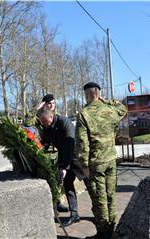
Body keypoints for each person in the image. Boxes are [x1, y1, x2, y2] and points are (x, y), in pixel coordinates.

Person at [75, 82, 127, 239]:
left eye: (85, 95)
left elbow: (82, 144)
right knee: (110, 196)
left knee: (100, 200)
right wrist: (106, 101)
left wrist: (84, 165)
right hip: (111, 160)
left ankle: (104, 234)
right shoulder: (110, 109)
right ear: (98, 94)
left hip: (96, 164)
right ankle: (112, 228)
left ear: (88, 95)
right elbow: (123, 108)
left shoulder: (84, 114)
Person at [39, 109, 82, 227]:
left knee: (91, 185)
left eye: (44, 121)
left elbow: (70, 146)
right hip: (65, 158)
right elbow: (46, 140)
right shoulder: (47, 126)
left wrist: (65, 167)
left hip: (77, 158)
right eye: (42, 122)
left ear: (51, 117)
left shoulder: (65, 123)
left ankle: (101, 217)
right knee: (68, 185)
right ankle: (75, 215)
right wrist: (41, 147)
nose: (43, 124)